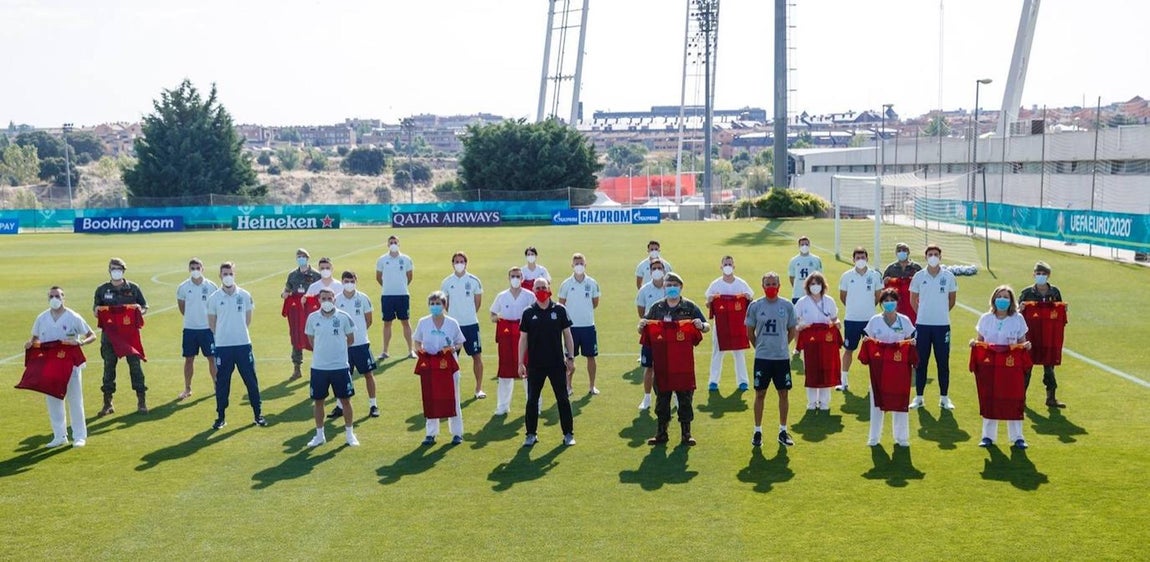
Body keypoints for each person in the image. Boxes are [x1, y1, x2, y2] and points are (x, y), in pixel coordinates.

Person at [641, 273, 710, 446]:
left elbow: (706, 326)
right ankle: (661, 433)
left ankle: (686, 434)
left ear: (681, 287)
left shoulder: (689, 307)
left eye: (675, 285)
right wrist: (641, 326)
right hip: (662, 364)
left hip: (682, 364)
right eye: (669, 284)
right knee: (662, 399)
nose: (672, 287)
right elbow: (645, 326)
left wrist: (701, 325)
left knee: (685, 399)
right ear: (664, 287)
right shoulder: (657, 307)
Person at [26, 286, 96, 447]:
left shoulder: (73, 317)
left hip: (70, 365)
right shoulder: (42, 318)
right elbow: (35, 338)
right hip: (50, 365)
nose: (54, 299)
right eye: (51, 296)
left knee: (75, 400)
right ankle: (59, 436)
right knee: (53, 400)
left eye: (57, 296)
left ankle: (79, 436)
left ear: (64, 297)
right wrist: (30, 344)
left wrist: (81, 342)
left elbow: (91, 335)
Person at [207, 262, 267, 429]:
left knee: (251, 380)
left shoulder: (245, 295)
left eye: (230, 273)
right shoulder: (214, 298)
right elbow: (212, 323)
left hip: (243, 345)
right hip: (223, 347)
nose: (228, 276)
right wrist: (223, 335)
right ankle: (220, 417)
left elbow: (248, 320)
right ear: (220, 276)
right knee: (222, 383)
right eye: (225, 274)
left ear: (235, 274)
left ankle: (258, 414)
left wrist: (238, 332)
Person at [519, 278, 577, 447]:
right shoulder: (528, 312)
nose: (541, 291)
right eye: (538, 288)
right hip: (535, 365)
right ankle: (531, 434)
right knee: (532, 400)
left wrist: (570, 357)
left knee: (563, 399)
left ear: (549, 288)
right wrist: (520, 362)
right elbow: (523, 339)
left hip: (556, 363)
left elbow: (567, 335)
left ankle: (568, 434)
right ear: (533, 290)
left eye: (543, 287)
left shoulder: (559, 310)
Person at [972, 285, 1031, 449]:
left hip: (1010, 366)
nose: (1002, 300)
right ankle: (988, 436)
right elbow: (980, 342)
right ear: (994, 299)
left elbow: (1022, 342)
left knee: (1013, 398)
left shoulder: (1017, 319)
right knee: (990, 397)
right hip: (990, 367)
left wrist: (1026, 346)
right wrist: (974, 344)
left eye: (1006, 297)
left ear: (1011, 301)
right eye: (999, 296)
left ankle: (1017, 437)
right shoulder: (986, 318)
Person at [745, 273, 798, 447]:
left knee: (783, 393)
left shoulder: (787, 306)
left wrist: (782, 345)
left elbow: (792, 330)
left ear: (779, 286)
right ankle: (757, 431)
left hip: (781, 358)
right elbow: (749, 332)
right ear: (763, 286)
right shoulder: (755, 306)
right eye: (768, 284)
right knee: (760, 393)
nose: (771, 287)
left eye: (774, 283)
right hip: (762, 358)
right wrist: (760, 347)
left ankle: (783, 431)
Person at [93, 257, 149, 416]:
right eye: (113, 268)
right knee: (108, 368)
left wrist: (138, 310)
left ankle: (141, 401)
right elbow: (95, 310)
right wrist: (98, 311)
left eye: (118, 269)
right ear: (109, 270)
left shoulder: (133, 288)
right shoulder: (102, 290)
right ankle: (107, 403)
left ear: (123, 271)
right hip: (110, 336)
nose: (115, 271)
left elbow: (144, 306)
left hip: (129, 336)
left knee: (135, 367)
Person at [861, 288, 917, 447]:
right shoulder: (874, 321)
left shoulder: (904, 320)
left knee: (900, 402)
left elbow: (908, 342)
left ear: (897, 302)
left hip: (899, 370)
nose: (889, 303)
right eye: (886, 301)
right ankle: (874, 438)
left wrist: (911, 344)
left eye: (892, 300)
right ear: (881, 303)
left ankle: (902, 438)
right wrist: (866, 342)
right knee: (876, 403)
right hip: (879, 370)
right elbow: (869, 341)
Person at [305, 288, 359, 447]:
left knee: (345, 401)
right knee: (318, 402)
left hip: (340, 367)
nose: (327, 301)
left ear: (334, 299)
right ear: (319, 300)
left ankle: (349, 434)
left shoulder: (343, 317)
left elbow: (350, 339)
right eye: (324, 298)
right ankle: (319, 435)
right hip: (319, 367)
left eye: (329, 298)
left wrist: (338, 351)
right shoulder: (312, 318)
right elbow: (311, 339)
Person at [413, 291, 466, 445]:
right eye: (432, 304)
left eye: (438, 304)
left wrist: (452, 349)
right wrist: (420, 351)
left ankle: (457, 433)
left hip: (448, 365)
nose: (435, 306)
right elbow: (417, 341)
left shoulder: (452, 323)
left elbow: (460, 342)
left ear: (444, 305)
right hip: (430, 365)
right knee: (430, 397)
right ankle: (431, 434)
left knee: (453, 397)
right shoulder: (423, 322)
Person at [908, 245, 958, 410]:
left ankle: (944, 398)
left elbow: (952, 299)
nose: (933, 257)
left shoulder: (948, 276)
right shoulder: (919, 276)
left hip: (942, 326)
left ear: (940, 257)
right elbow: (913, 299)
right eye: (930, 254)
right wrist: (923, 313)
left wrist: (940, 313)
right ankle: (919, 397)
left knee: (942, 362)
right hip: (922, 326)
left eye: (936, 254)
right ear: (926, 257)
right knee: (921, 362)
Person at [329, 271, 379, 419]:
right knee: (342, 376)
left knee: (368, 374)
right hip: (343, 346)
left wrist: (358, 334)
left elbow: (369, 320)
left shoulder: (363, 298)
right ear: (342, 282)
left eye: (351, 281)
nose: (349, 284)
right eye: (346, 281)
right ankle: (340, 406)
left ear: (356, 281)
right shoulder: (336, 299)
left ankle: (373, 405)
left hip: (361, 344)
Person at [1018, 261, 1067, 408]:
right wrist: (1021, 308)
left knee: (1049, 367)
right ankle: (1021, 398)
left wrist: (1063, 309)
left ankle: (1051, 398)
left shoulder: (1055, 292)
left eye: (1043, 274)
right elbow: (1016, 314)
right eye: (1038, 273)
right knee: (1027, 367)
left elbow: (1059, 314)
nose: (1041, 276)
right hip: (1031, 335)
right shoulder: (1026, 293)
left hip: (1048, 336)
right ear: (1033, 275)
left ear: (1048, 275)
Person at [490, 267, 536, 415]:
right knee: (505, 371)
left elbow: (536, 313)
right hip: (507, 338)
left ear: (522, 278)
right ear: (508, 278)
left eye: (518, 276)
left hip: (525, 336)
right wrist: (497, 319)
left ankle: (534, 404)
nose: (515, 279)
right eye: (512, 276)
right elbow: (492, 314)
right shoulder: (502, 296)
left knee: (528, 370)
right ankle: (502, 406)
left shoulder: (529, 296)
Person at [705, 255, 755, 392]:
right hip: (721, 325)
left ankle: (743, 381)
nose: (728, 266)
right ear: (721, 267)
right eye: (725, 264)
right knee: (717, 352)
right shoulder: (715, 284)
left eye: (730, 264)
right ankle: (713, 381)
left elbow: (751, 300)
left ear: (734, 266)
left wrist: (747, 297)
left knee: (739, 352)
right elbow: (708, 303)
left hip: (737, 324)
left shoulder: (741, 283)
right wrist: (710, 300)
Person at [793, 272, 841, 411]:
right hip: (810, 341)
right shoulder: (802, 302)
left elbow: (834, 318)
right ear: (808, 286)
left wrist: (837, 323)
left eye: (818, 283)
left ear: (823, 285)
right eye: (812, 284)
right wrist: (800, 326)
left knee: (825, 370)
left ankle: (824, 402)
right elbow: (795, 320)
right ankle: (812, 402)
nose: (815, 286)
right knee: (811, 370)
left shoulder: (829, 301)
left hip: (826, 341)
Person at [441, 251, 485, 398]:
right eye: (456, 261)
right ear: (452, 264)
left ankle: (478, 389)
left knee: (477, 356)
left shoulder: (474, 280)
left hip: (471, 324)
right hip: (453, 326)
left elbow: (477, 303)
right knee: (451, 358)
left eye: (461, 261)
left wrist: (468, 314)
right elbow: (445, 303)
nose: (459, 264)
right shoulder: (447, 282)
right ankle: (450, 390)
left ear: (466, 263)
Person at [837, 247, 881, 391]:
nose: (860, 260)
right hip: (851, 319)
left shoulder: (875, 275)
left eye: (863, 257)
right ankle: (843, 381)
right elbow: (843, 296)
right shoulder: (846, 276)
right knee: (848, 349)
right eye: (858, 258)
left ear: (867, 258)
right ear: (853, 259)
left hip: (870, 320)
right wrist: (853, 307)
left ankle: (873, 383)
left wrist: (868, 308)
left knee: (873, 352)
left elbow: (878, 296)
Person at [176, 258, 218, 401]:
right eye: (192, 268)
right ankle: (187, 388)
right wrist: (192, 318)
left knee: (212, 358)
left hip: (207, 329)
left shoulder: (211, 286)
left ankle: (217, 385)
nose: (195, 270)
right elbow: (182, 307)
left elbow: (215, 306)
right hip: (190, 329)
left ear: (202, 269)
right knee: (189, 359)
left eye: (197, 268)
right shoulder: (183, 287)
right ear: (189, 269)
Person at [558, 253, 601, 395]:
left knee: (591, 357)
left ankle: (592, 386)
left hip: (588, 326)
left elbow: (595, 303)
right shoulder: (566, 284)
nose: (579, 266)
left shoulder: (592, 283)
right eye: (576, 263)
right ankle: (568, 386)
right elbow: (561, 305)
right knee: (569, 358)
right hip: (571, 328)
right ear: (572, 265)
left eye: (581, 263)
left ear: (585, 264)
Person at [282, 248, 321, 380]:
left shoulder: (316, 275)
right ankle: (297, 368)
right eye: (298, 256)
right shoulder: (292, 275)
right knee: (297, 335)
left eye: (303, 256)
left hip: (311, 310)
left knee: (315, 336)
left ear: (307, 258)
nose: (300, 259)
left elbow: (321, 291)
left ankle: (319, 365)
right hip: (296, 311)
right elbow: (287, 288)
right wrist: (284, 294)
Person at [634, 258, 669, 409]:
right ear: (650, 271)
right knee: (649, 367)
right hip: (650, 334)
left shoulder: (670, 288)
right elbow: (641, 311)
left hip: (668, 334)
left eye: (659, 268)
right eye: (654, 268)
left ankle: (674, 396)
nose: (657, 271)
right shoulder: (644, 290)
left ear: (664, 270)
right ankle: (647, 398)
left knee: (669, 367)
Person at [375, 234, 416, 361]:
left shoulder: (406, 259)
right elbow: (378, 277)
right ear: (387, 244)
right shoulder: (382, 259)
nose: (393, 244)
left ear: (399, 244)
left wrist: (401, 286)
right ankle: (385, 351)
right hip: (387, 296)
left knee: (405, 322)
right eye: (391, 242)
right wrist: (387, 286)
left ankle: (411, 350)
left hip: (402, 295)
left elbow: (410, 276)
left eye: (395, 242)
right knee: (387, 323)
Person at [883, 242, 922, 324]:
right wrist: (885, 281)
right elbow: (883, 288)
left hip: (912, 304)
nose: (901, 252)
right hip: (896, 304)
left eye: (904, 250)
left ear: (908, 252)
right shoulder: (890, 268)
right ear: (896, 253)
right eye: (899, 250)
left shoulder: (916, 268)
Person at [788, 236, 823, 305]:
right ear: (799, 246)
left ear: (809, 245)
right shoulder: (794, 260)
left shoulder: (816, 259)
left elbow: (820, 277)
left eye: (806, 244)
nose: (804, 246)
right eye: (802, 244)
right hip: (798, 294)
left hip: (812, 294)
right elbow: (792, 277)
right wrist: (797, 286)